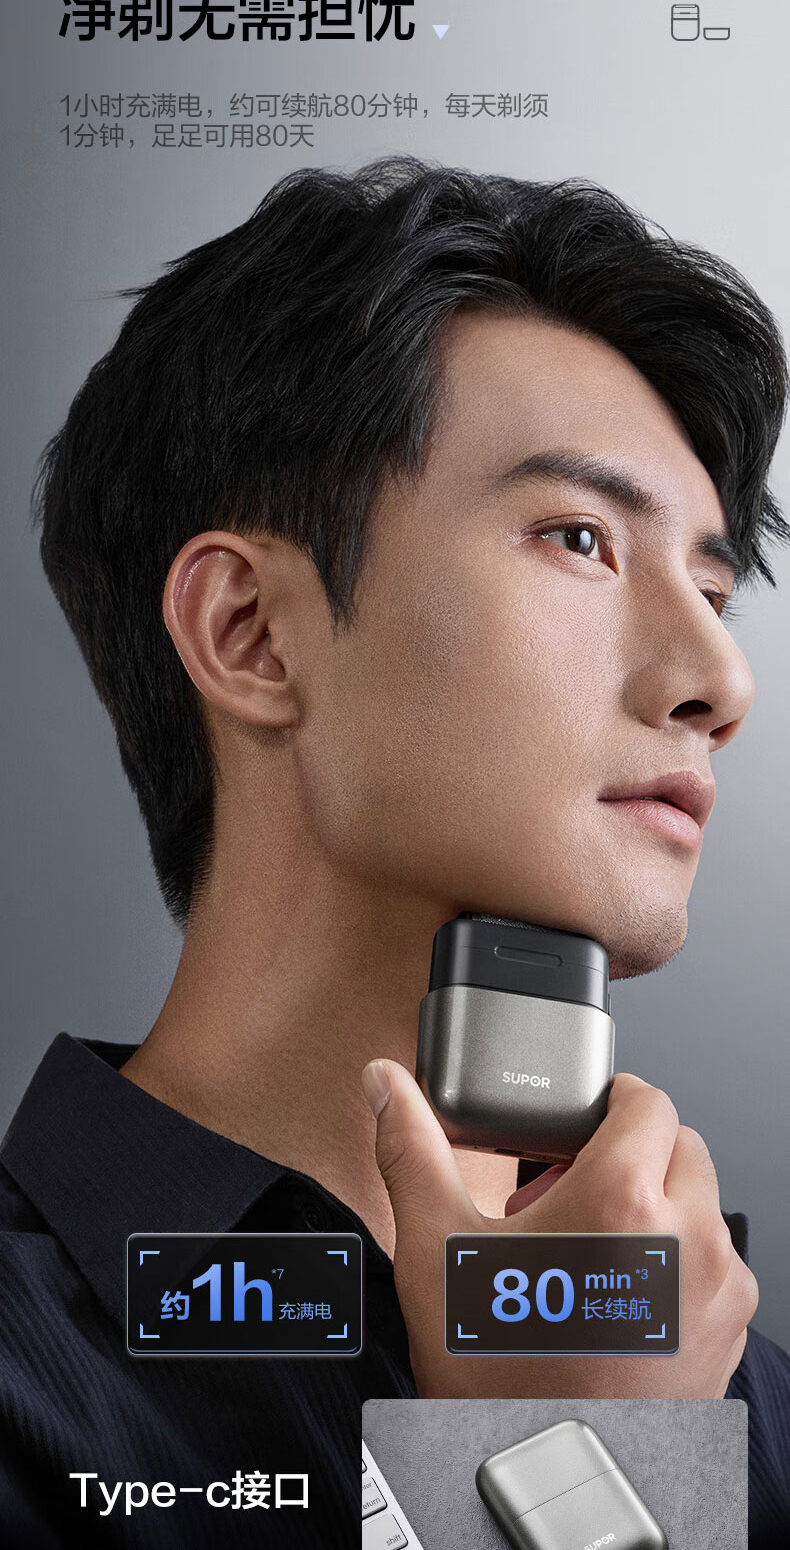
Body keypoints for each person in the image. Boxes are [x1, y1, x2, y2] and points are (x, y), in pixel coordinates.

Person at [1, 156, 788, 1548]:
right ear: (251, 632)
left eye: (713, 589)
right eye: (582, 538)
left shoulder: (735, 1382)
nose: (720, 682)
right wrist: (564, 1466)